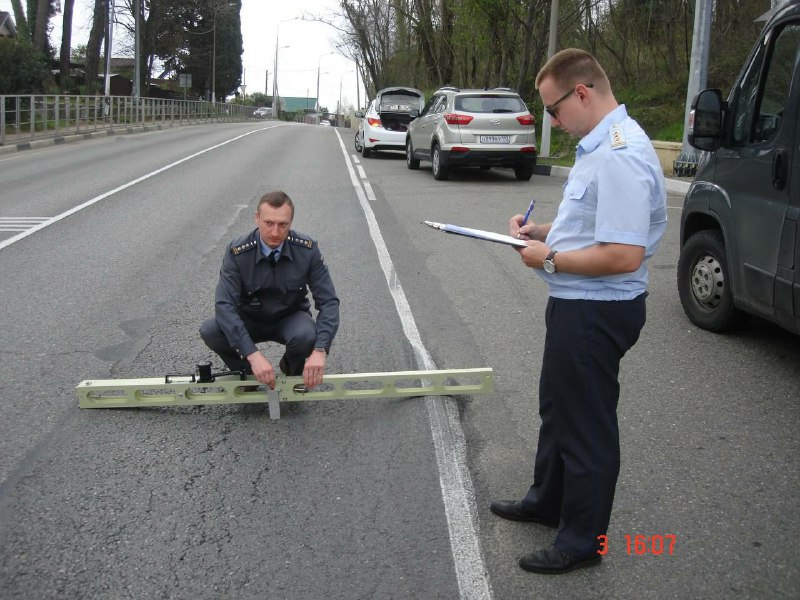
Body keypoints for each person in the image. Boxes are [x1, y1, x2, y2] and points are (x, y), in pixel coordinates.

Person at [490, 48, 667, 574]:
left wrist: (551, 259)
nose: (551, 120)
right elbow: (595, 223)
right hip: (576, 304)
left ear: (582, 93)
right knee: (559, 409)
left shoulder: (620, 154)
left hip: (596, 311)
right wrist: (542, 232)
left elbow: (623, 253)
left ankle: (583, 540)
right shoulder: (597, 149)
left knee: (586, 424)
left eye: (553, 109)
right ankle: (548, 501)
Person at [200, 191, 340, 390]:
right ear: (257, 218)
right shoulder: (238, 252)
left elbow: (329, 302)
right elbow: (224, 305)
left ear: (291, 222)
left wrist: (320, 349)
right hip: (249, 318)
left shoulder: (307, 250)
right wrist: (252, 355)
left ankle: (293, 372)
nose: (275, 232)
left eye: (282, 224)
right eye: (268, 223)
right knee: (211, 330)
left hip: (289, 317)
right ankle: (248, 375)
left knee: (307, 335)